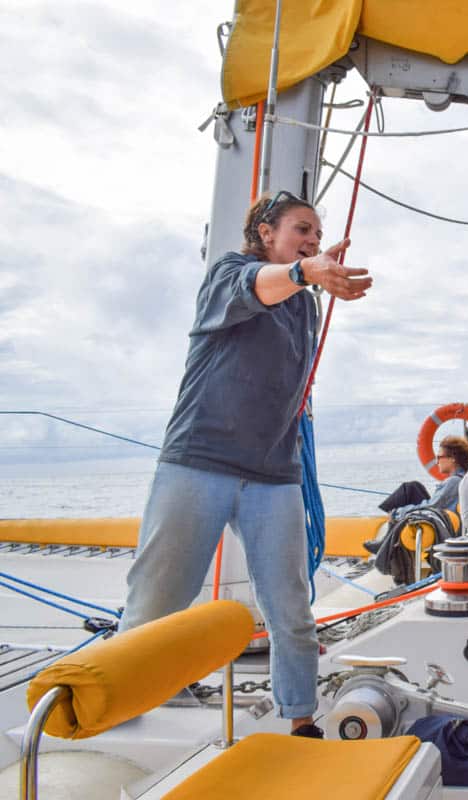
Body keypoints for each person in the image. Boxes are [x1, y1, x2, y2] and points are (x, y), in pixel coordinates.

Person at [119, 190, 372, 738]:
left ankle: (302, 722)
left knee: (291, 610)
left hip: (274, 476)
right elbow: (256, 289)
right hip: (199, 462)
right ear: (265, 233)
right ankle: (117, 712)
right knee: (155, 603)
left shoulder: (304, 304)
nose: (313, 239)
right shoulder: (229, 272)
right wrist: (307, 269)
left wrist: (307, 276)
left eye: (316, 234)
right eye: (302, 229)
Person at [364, 436, 468, 554]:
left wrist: (398, 512)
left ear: (452, 458)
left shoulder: (454, 482)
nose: (437, 461)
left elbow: (432, 507)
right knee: (413, 487)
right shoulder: (462, 478)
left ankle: (388, 539)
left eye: (439, 457)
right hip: (443, 520)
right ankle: (389, 537)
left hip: (442, 527)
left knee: (408, 490)